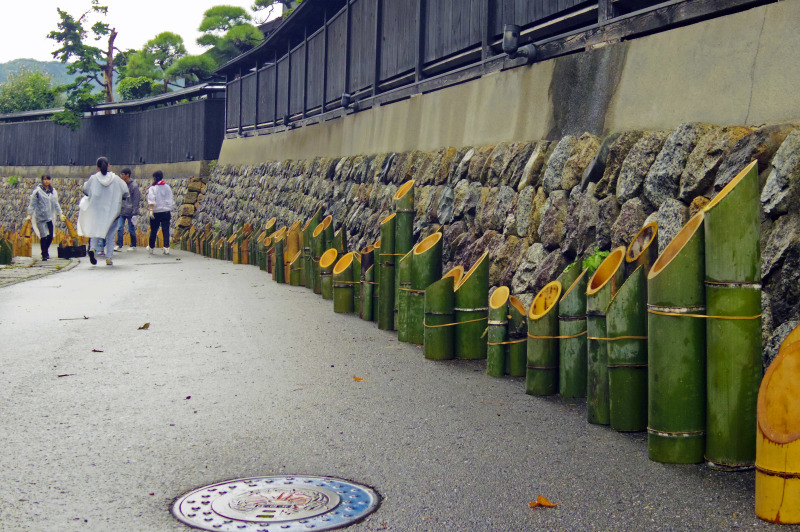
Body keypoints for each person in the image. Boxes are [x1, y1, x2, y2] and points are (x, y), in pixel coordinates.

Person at [76, 157, 129, 267]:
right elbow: (125, 192)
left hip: (97, 212)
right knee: (110, 235)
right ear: (108, 165)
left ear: (97, 167)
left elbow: (85, 190)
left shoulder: (93, 178)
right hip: (112, 212)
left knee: (96, 231)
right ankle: (109, 257)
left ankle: (93, 249)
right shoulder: (116, 179)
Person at [25, 174, 65, 261]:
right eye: (45, 179)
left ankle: (45, 250)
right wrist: (29, 214)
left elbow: (55, 203)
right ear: (42, 180)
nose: (46, 181)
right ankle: (44, 254)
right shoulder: (38, 192)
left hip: (49, 217)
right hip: (40, 216)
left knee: (50, 236)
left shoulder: (53, 191)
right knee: (43, 236)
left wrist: (60, 213)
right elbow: (33, 204)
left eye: (48, 179)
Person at [146, 170, 174, 255]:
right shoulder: (167, 187)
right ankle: (166, 247)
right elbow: (171, 198)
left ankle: (151, 247)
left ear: (154, 178)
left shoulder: (153, 188)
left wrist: (151, 210)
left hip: (156, 211)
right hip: (166, 211)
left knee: (154, 229)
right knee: (165, 229)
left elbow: (151, 199)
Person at [114, 168, 141, 251]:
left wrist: (135, 212)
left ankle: (133, 245)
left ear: (127, 175)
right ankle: (119, 244)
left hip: (131, 210)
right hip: (122, 210)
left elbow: (136, 199)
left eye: (123, 174)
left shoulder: (134, 186)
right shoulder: (121, 185)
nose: (121, 176)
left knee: (131, 228)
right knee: (120, 227)